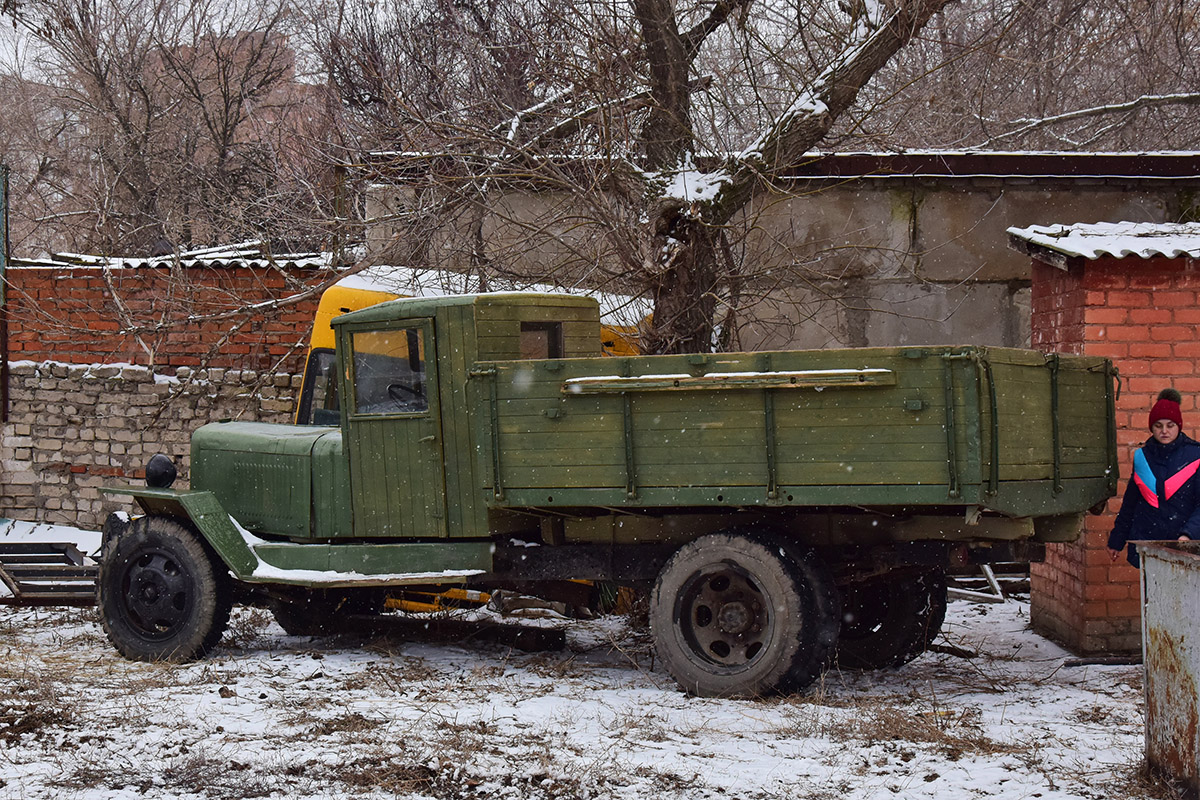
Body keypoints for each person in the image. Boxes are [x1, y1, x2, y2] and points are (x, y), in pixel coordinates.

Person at [1108, 388, 1200, 567]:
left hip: (1185, 544)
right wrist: (1117, 540)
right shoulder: (1142, 457)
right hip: (1148, 544)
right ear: (1151, 427)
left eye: (1170, 425)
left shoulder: (1195, 456)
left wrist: (1189, 534)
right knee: (1151, 593)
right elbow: (1130, 503)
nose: (1164, 431)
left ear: (1179, 426)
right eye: (1158, 425)